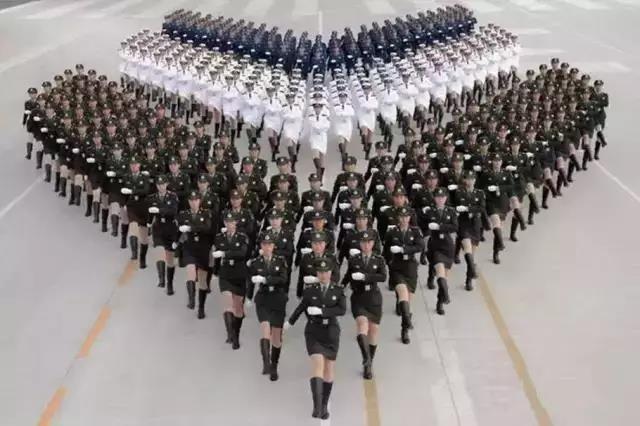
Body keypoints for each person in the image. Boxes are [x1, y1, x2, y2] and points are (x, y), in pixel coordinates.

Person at [284, 258, 346, 420]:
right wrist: (289, 323)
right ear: (317, 274)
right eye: (320, 272)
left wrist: (322, 312)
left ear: (331, 273)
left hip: (331, 332)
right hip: (314, 331)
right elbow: (301, 307)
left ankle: (324, 404)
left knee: (329, 368)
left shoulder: (338, 290)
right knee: (318, 363)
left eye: (326, 272)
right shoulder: (310, 291)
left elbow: (342, 310)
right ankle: (317, 406)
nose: (323, 275)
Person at [343, 230, 387, 379]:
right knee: (362, 325)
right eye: (363, 242)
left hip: (373, 298)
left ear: (373, 243)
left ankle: (369, 363)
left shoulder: (378, 259)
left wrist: (365, 276)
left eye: (369, 242)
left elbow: (383, 276)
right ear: (360, 244)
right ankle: (366, 359)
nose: (366, 245)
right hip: (359, 297)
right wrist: (341, 287)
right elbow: (348, 275)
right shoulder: (354, 259)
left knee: (373, 331)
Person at [246, 232, 289, 381]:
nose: (267, 247)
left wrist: (265, 279)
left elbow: (283, 279)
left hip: (277, 298)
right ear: (261, 246)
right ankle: (266, 363)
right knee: (265, 330)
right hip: (263, 298)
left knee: (276, 337)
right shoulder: (256, 262)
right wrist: (248, 297)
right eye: (264, 244)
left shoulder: (280, 261)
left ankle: (274, 365)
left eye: (269, 244)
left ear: (273, 246)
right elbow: (251, 281)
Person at [383, 206, 424, 344]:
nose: (404, 219)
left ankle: (404, 325)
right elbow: (385, 251)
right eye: (401, 216)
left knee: (407, 301)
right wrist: (389, 263)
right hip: (397, 268)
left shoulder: (415, 231)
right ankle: (406, 325)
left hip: (410, 268)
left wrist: (403, 249)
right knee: (403, 294)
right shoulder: (392, 232)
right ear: (398, 218)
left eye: (406, 216)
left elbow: (420, 246)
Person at [212, 211, 250, 349]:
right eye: (227, 222)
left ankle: (236, 333)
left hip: (239, 273)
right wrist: (215, 272)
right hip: (225, 273)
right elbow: (216, 256)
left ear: (236, 223)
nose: (229, 224)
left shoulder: (242, 237)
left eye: (232, 222)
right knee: (228, 304)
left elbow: (242, 253)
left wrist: (225, 253)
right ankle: (230, 334)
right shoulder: (219, 237)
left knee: (238, 309)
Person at [177, 191, 214, 318]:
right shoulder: (184, 214)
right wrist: (176, 242)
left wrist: (191, 228)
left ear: (199, 201)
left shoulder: (206, 213)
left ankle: (201, 307)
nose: (194, 203)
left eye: (196, 200)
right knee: (190, 271)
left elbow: (207, 227)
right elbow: (179, 228)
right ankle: (191, 298)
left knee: (202, 281)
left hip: (203, 248)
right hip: (190, 247)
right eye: (191, 200)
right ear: (188, 201)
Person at [422, 188, 458, 315]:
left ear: (446, 198)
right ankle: (446, 294)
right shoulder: (430, 211)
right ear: (434, 198)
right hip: (435, 246)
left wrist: (439, 227)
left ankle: (440, 302)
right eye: (438, 197)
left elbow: (455, 227)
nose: (440, 199)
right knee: (440, 273)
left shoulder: (451, 211)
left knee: (443, 277)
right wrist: (422, 214)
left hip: (447, 247)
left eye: (442, 197)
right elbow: (422, 225)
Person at [452, 171, 485, 290]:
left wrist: (467, 208)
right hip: (464, 224)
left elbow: (481, 208)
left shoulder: (480, 193)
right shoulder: (459, 193)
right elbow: (455, 206)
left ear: (475, 180)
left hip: (475, 225)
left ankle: (468, 280)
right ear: (464, 180)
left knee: (472, 254)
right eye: (468, 179)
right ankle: (472, 272)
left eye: (472, 179)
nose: (470, 181)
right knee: (467, 248)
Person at [147, 175, 179, 295]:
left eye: (163, 184)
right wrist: (148, 223)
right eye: (158, 184)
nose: (161, 186)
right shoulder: (152, 197)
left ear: (166, 184)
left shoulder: (172, 196)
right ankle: (161, 278)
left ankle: (170, 283)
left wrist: (160, 211)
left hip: (170, 228)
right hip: (158, 228)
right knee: (159, 252)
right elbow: (150, 212)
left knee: (170, 259)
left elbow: (173, 210)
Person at [121, 156, 152, 268]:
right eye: (132, 164)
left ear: (139, 165)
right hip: (132, 205)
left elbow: (146, 190)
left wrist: (132, 191)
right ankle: (134, 253)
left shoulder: (144, 177)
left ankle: (142, 258)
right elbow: (123, 191)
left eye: (136, 164)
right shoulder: (126, 177)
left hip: (143, 206)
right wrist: (124, 204)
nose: (134, 166)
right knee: (133, 227)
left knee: (144, 237)